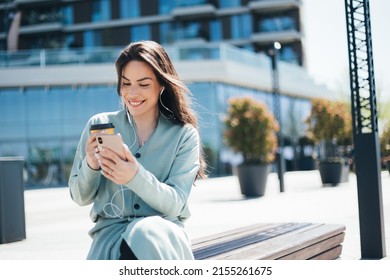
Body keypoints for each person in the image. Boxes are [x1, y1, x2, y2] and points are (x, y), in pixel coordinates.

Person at [68, 40, 206, 260]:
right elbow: (79, 196)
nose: (132, 93)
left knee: (144, 232)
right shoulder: (100, 124)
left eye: (143, 84)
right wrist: (91, 166)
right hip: (111, 240)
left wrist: (134, 176)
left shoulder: (184, 135)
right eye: (126, 83)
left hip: (162, 236)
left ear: (161, 85)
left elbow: (176, 203)